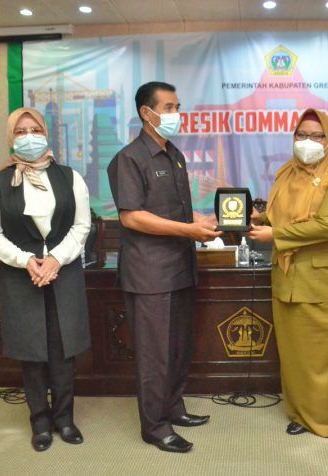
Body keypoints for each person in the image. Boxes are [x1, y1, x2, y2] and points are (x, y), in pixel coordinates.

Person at [107, 81, 221, 453]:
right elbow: (132, 217)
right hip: (150, 274)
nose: (176, 114)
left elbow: (175, 211)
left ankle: (173, 408)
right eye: (169, 107)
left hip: (180, 268)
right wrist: (189, 230)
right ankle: (155, 427)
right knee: (154, 354)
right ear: (147, 113)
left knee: (177, 348)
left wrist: (202, 221)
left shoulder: (175, 154)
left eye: (177, 106)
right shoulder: (129, 158)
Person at [0, 107, 92, 452]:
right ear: (11, 138)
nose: (29, 137)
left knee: (63, 351)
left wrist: (56, 259)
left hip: (64, 273)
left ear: (46, 133)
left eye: (35, 129)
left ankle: (65, 419)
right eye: (21, 131)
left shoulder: (71, 178)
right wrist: (26, 260)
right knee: (32, 353)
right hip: (20, 277)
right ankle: (40, 423)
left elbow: (81, 226)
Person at [249, 109, 328, 448]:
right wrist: (260, 217)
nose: (307, 141)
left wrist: (276, 235)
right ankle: (301, 414)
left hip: (324, 280)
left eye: (316, 135)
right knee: (295, 354)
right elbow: (281, 215)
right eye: (301, 135)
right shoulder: (286, 173)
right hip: (287, 277)